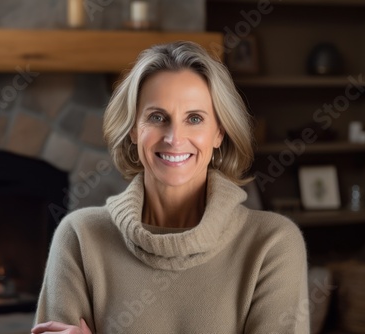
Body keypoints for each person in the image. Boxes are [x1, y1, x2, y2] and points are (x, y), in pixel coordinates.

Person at [31, 41, 310, 333]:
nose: (174, 138)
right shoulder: (79, 237)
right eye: (157, 117)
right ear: (134, 130)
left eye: (194, 119)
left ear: (219, 132)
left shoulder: (273, 244)